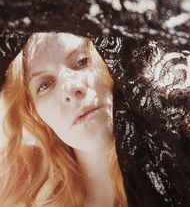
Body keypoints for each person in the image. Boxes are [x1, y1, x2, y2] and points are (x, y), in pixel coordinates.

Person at [0, 32, 128, 207]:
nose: (71, 89)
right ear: (34, 113)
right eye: (44, 84)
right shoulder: (20, 195)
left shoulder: (176, 171)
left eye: (82, 61)